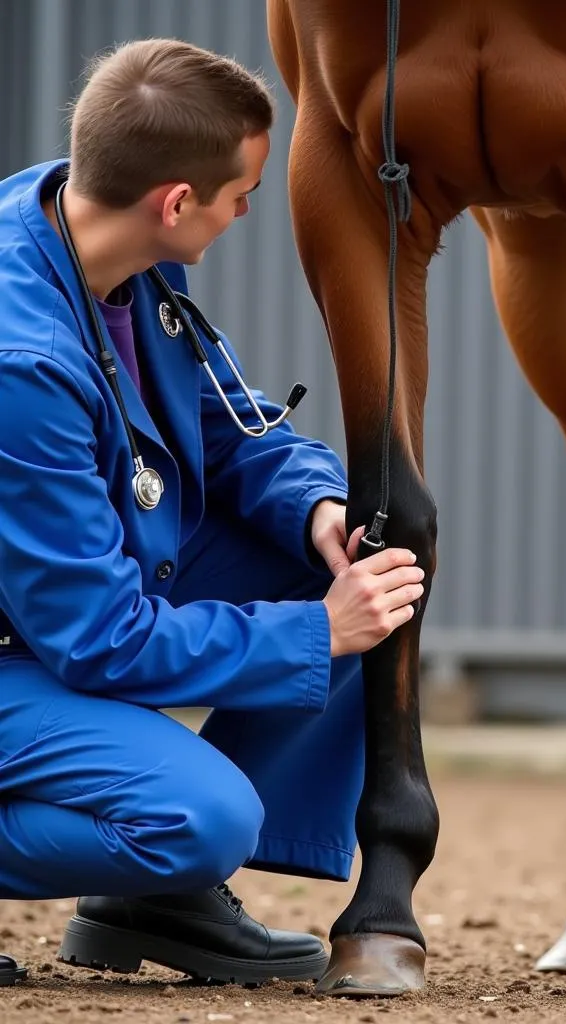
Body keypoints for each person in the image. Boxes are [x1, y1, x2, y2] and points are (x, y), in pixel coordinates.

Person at [0, 38, 425, 987]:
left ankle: (157, 897)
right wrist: (316, 634)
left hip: (54, 605)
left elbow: (234, 431)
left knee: (369, 572)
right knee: (199, 819)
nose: (247, 212)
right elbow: (98, 639)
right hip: (35, 641)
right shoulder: (20, 364)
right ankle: (169, 855)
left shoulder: (105, 245)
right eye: (243, 194)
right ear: (176, 202)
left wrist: (317, 506)